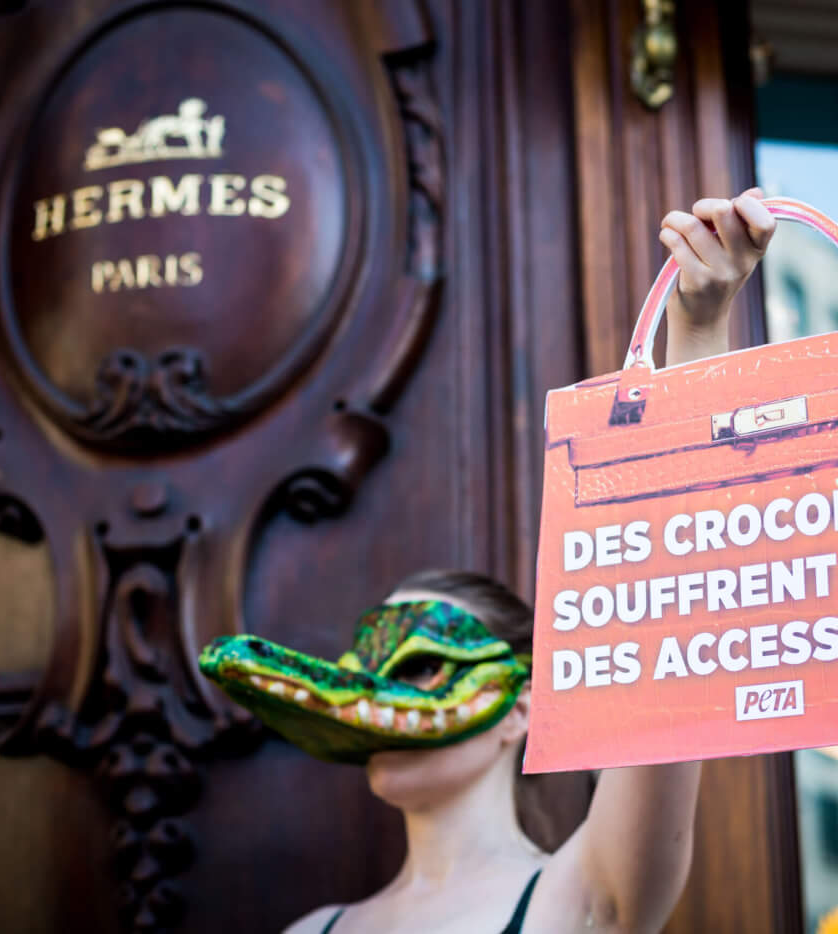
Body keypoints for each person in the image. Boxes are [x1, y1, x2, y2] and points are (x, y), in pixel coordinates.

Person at [262, 190, 774, 933]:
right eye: (359, 668)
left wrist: (696, 329)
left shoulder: (579, 903)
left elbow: (676, 631)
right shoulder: (312, 931)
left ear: (523, 709)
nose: (372, 694)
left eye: (416, 666)